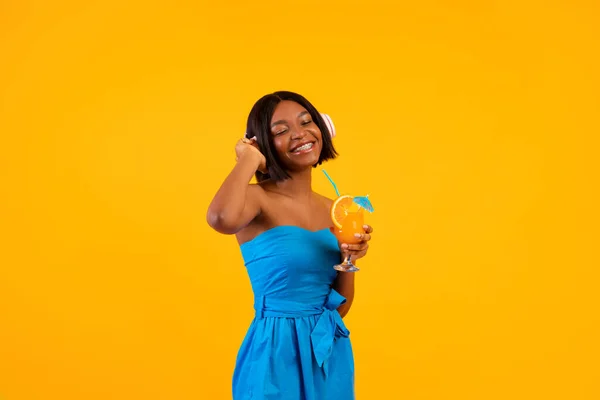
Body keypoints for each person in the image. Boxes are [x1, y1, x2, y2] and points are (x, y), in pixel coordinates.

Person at [206, 91, 374, 400]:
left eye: (307, 121)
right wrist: (248, 159)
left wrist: (348, 259)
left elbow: (340, 309)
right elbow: (220, 219)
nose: (299, 134)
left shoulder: (333, 209)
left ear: (323, 128)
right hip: (274, 352)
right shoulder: (256, 199)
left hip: (328, 352)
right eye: (280, 130)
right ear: (263, 145)